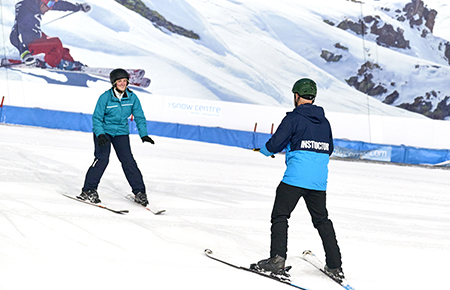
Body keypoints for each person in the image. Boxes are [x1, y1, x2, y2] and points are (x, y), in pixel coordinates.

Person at [255, 78, 345, 282]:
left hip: (295, 179)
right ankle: (335, 265)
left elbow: (275, 143)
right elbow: (328, 149)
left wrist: (265, 150)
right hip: (318, 181)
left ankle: (277, 260)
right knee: (322, 220)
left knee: (280, 216)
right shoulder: (325, 122)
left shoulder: (293, 118)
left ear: (296, 96)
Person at [79, 68, 155, 206]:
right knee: (102, 159)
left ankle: (139, 192)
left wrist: (143, 134)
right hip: (104, 131)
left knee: (128, 161)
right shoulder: (105, 97)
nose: (122, 83)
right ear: (114, 83)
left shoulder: (132, 97)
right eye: (120, 81)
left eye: (125, 81)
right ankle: (88, 190)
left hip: (121, 132)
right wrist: (100, 134)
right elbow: (97, 118)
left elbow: (139, 116)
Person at [10, 0, 91, 69]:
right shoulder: (24, 9)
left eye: (52, 4)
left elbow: (60, 5)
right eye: (49, 4)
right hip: (27, 44)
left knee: (60, 49)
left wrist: (79, 7)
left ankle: (70, 63)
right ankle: (53, 64)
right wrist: (24, 53)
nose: (50, 8)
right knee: (55, 43)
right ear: (41, 2)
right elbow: (16, 34)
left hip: (35, 36)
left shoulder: (39, 5)